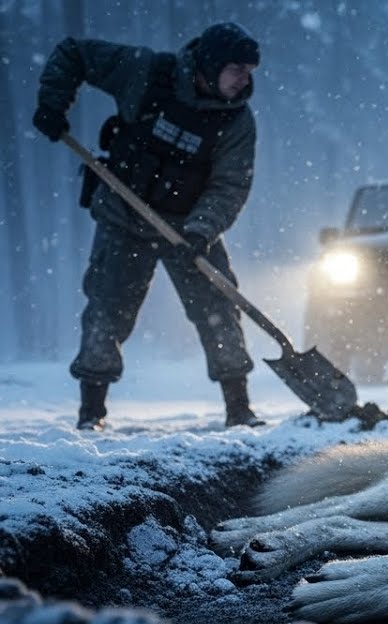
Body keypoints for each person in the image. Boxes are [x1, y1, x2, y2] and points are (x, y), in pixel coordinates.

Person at [32, 22, 266, 430]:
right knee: (107, 310)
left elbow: (230, 187)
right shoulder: (148, 73)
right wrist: (54, 103)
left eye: (249, 71)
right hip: (124, 215)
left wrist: (200, 231)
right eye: (236, 69)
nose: (244, 79)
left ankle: (239, 408)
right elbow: (75, 53)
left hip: (189, 230)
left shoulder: (237, 122)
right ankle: (92, 413)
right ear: (209, 66)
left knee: (218, 309)